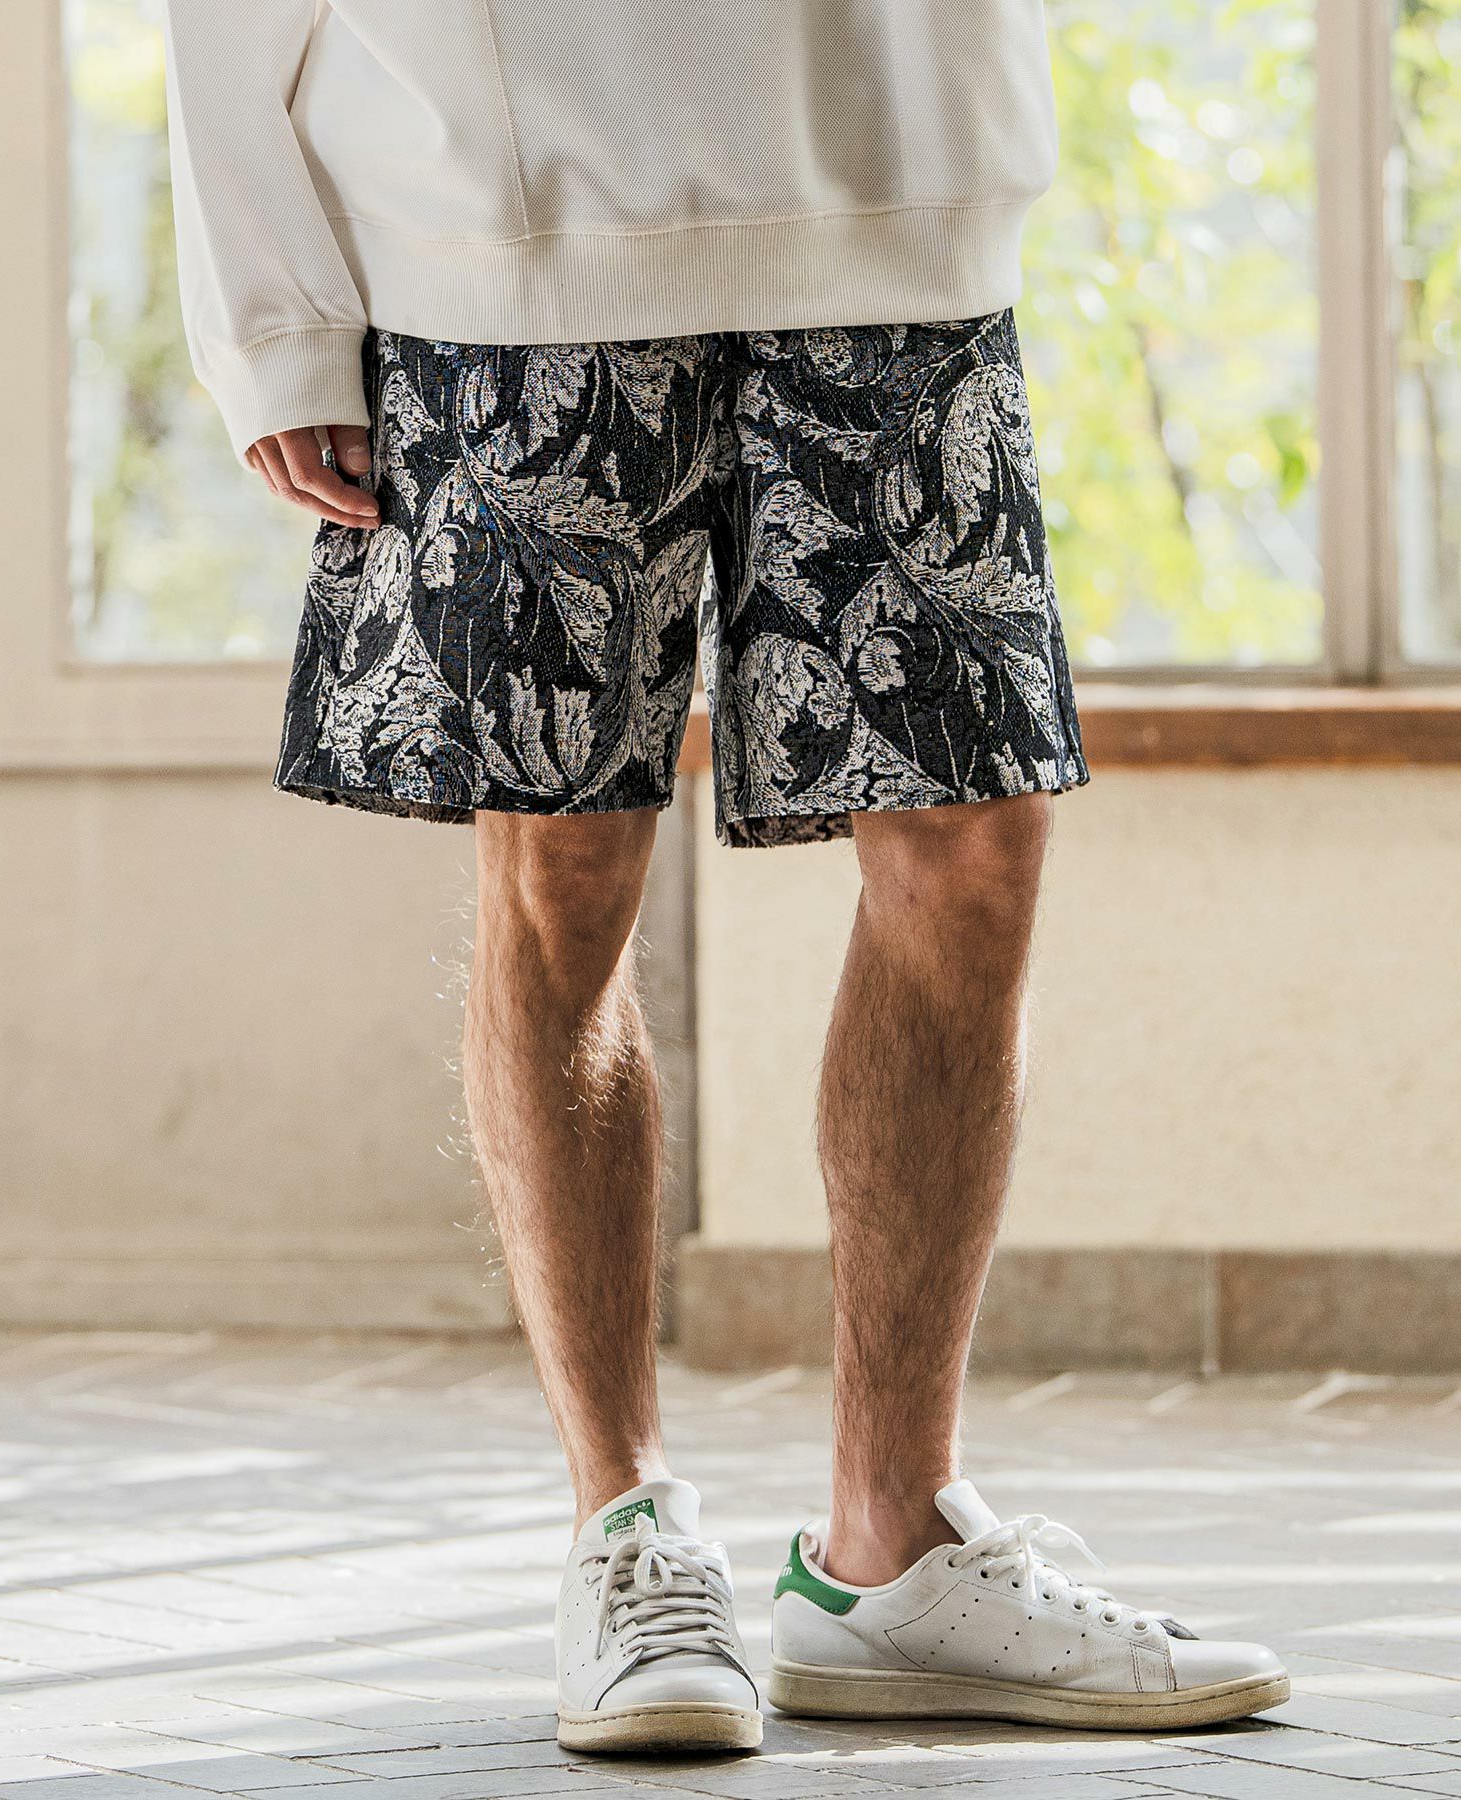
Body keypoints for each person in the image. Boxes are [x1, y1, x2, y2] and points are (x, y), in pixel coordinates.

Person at [163, 0, 1289, 1756]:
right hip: (509, 232)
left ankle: (893, 1554)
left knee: (975, 847)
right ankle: (624, 1532)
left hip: (900, 203)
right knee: (564, 864)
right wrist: (273, 317)